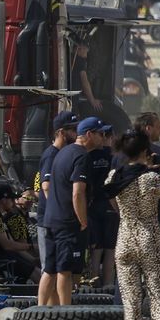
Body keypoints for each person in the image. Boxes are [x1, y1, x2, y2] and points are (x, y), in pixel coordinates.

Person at [107, 131, 160, 320]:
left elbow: (109, 194)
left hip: (125, 236)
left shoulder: (115, 176)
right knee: (159, 296)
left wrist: (122, 213)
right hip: (149, 235)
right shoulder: (152, 178)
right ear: (146, 151)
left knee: (130, 300)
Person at [39, 118, 105, 306]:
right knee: (64, 271)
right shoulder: (81, 156)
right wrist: (83, 221)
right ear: (89, 135)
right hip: (67, 222)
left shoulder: (62, 152)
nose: (103, 138)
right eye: (101, 134)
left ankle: (39, 312)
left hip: (51, 220)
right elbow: (77, 193)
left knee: (49, 270)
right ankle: (65, 313)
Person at [34, 112, 77, 305]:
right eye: (72, 130)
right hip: (48, 220)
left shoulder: (61, 153)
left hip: (54, 219)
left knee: (58, 268)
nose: (76, 133)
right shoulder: (51, 154)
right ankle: (43, 311)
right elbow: (45, 185)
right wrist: (58, 208)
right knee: (49, 268)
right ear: (61, 132)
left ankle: (54, 310)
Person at [86, 119, 118, 287]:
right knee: (110, 248)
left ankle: (93, 280)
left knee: (96, 247)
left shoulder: (88, 156)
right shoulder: (112, 158)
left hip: (92, 205)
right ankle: (107, 284)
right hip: (109, 205)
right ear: (110, 138)